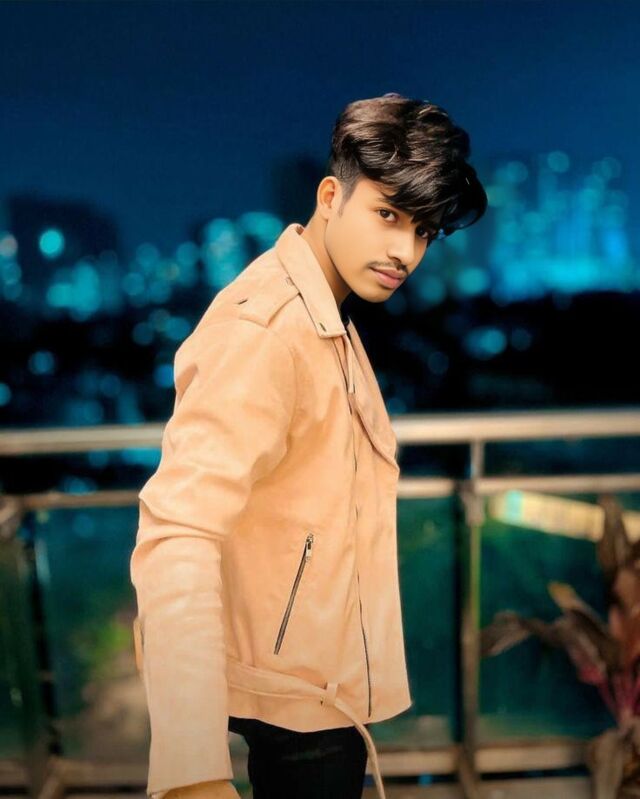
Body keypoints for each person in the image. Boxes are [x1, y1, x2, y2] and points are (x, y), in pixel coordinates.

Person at [129, 92, 487, 799]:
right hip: (298, 705)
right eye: (389, 214)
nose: (405, 252)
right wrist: (192, 772)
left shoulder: (321, 310)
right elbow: (176, 534)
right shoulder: (267, 329)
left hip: (321, 687)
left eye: (423, 231)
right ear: (330, 197)